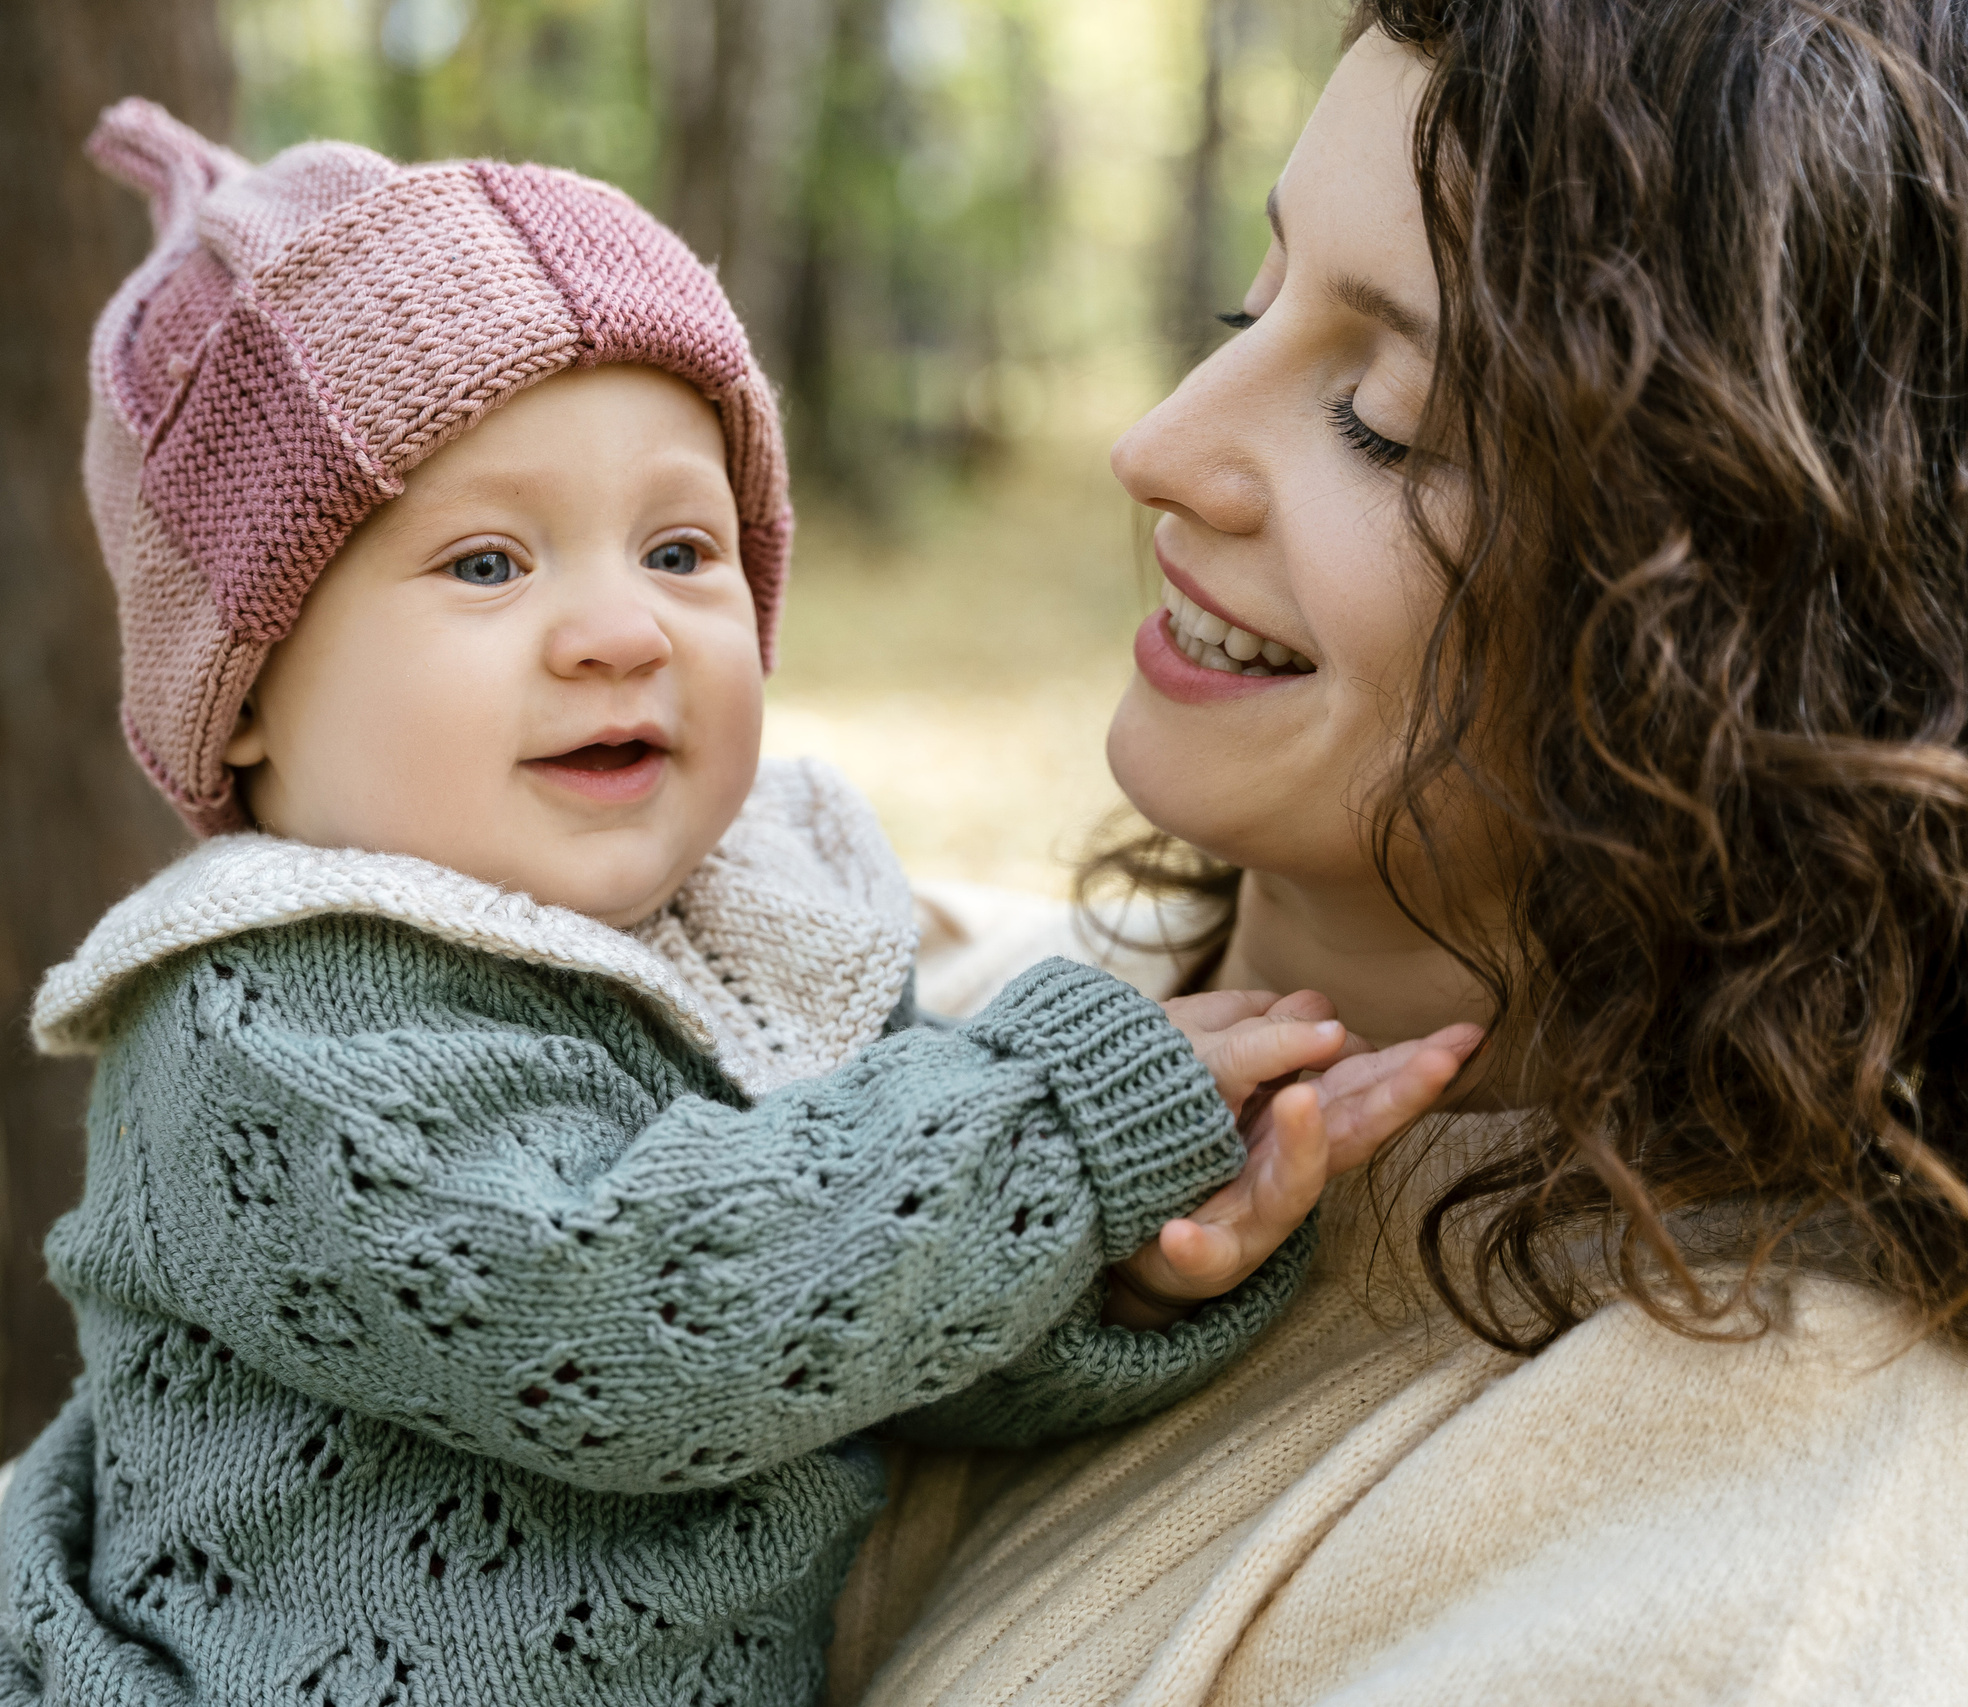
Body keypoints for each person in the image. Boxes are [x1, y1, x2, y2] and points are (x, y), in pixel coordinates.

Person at [0, 102, 1477, 1707]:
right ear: (243, 693)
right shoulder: (267, 1024)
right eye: (487, 566)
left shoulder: (749, 945)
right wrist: (1051, 1132)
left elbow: (840, 1345)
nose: (617, 631)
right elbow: (634, 1315)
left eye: (679, 546)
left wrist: (1109, 1268)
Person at [827, 5, 1968, 1702]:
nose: (1159, 447)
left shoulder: (1745, 1588)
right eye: (1249, 302)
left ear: (1758, 635)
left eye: (1386, 417)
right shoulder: (878, 994)